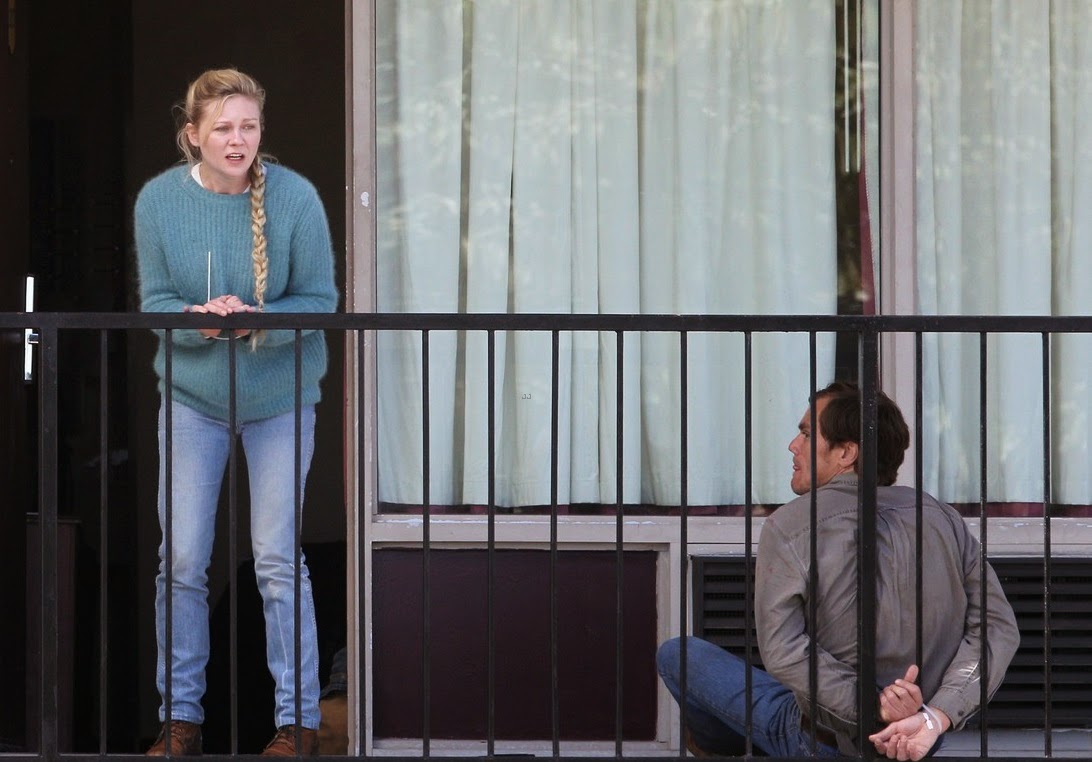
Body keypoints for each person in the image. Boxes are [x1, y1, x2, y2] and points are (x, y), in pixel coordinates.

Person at [135, 68, 338, 757]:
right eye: (222, 127)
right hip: (192, 401)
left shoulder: (295, 198)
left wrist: (256, 320)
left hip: (279, 399)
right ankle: (180, 720)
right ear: (192, 134)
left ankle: (298, 723)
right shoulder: (159, 201)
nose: (237, 139)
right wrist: (198, 320)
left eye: (248, 126)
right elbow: (155, 304)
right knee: (182, 560)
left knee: (277, 560)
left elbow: (319, 301)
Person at [657, 381, 1020, 760]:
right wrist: (935, 716)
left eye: (806, 434)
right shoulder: (942, 517)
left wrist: (875, 709)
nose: (793, 445)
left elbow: (783, 650)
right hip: (916, 741)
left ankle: (731, 751)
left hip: (822, 742)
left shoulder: (791, 523)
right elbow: (996, 628)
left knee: (678, 655)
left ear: (846, 452)